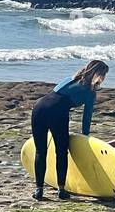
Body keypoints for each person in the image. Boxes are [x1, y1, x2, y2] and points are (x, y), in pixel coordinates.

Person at [29, 59, 109, 201]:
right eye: (104, 75)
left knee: (40, 151)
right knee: (61, 151)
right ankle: (61, 189)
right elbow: (87, 116)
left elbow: (56, 95)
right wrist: (85, 137)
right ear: (99, 75)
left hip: (39, 108)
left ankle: (39, 190)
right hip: (57, 113)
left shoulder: (69, 79)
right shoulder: (90, 91)